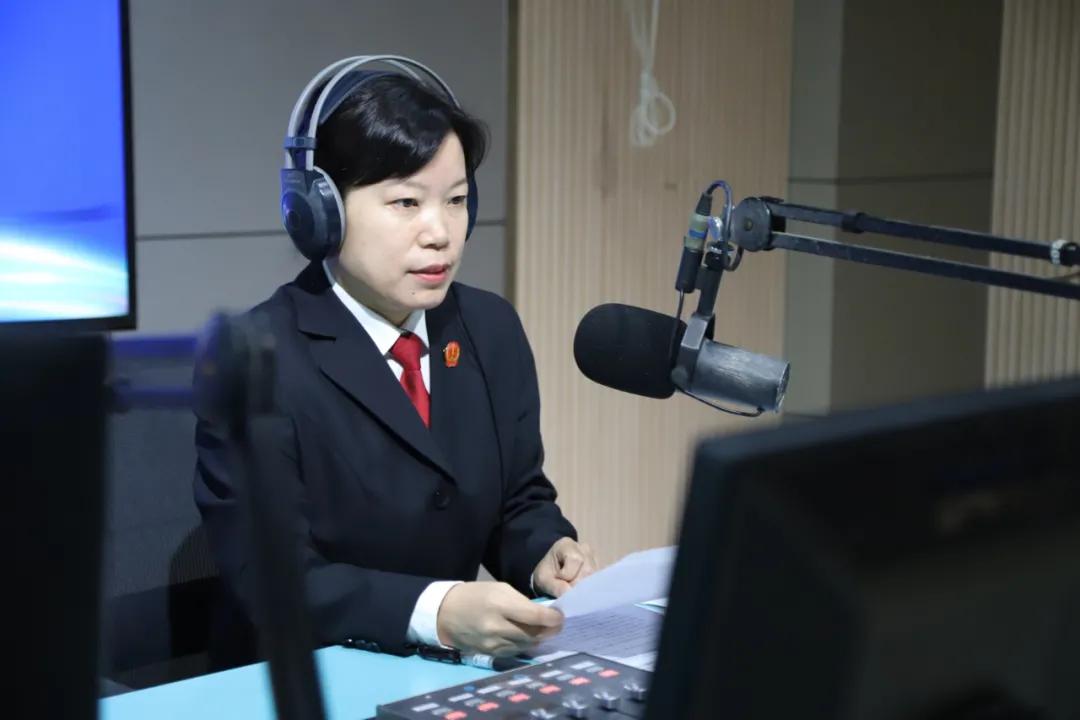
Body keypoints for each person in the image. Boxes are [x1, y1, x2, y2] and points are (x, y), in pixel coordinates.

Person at [193, 63, 597, 661]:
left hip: (445, 676)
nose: (440, 233)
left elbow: (518, 501)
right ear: (320, 210)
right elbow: (275, 579)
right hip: (304, 676)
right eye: (406, 202)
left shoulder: (489, 328)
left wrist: (545, 551)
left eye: (456, 201)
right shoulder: (256, 359)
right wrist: (437, 612)